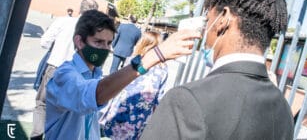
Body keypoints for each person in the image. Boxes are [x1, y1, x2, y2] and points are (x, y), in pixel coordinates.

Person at [141, 0, 294, 139]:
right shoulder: (284, 110)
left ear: (224, 18)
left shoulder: (187, 101)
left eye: (208, 21)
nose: (205, 31)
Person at [45, 9, 201, 139]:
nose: (105, 49)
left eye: (108, 43)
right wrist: (153, 57)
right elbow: (93, 95)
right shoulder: (64, 75)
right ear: (79, 42)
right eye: (98, 42)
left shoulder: (94, 73)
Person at [30, 0, 99, 140]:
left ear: (80, 9)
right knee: (69, 113)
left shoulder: (64, 21)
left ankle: (37, 136)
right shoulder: (95, 32)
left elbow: (44, 42)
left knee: (43, 104)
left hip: (55, 67)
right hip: (79, 74)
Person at [101, 31, 168, 139]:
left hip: (123, 104)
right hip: (142, 111)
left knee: (113, 134)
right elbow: (159, 96)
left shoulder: (132, 61)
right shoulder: (162, 68)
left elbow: (119, 82)